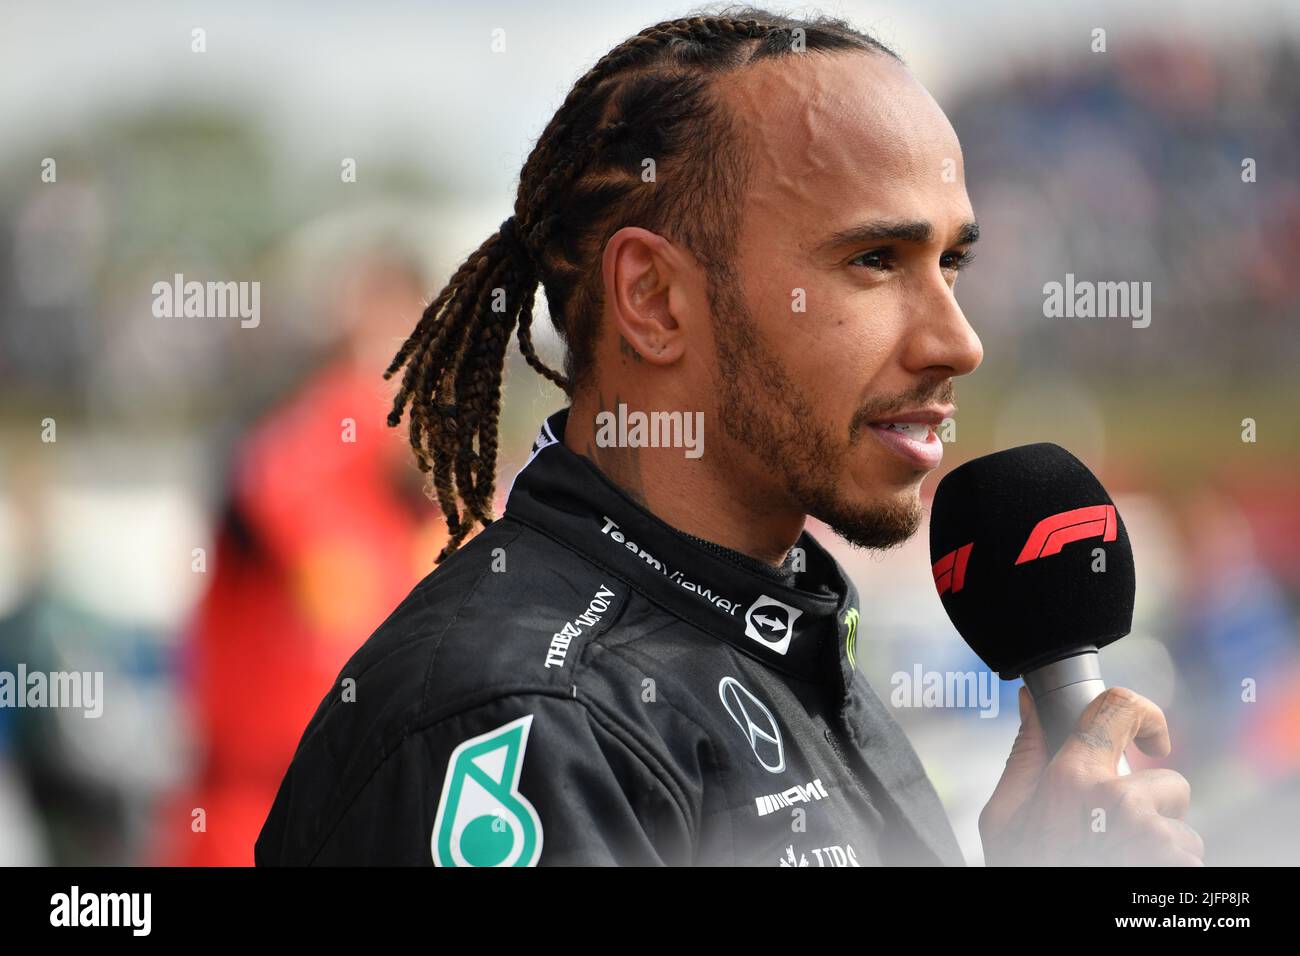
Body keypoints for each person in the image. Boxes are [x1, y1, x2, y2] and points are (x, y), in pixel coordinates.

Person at [256, 9, 1203, 866]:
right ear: (655, 300)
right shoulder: (525, 726)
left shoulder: (781, 629)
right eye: (875, 260)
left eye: (950, 262)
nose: (958, 340)